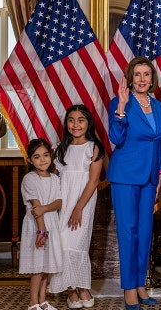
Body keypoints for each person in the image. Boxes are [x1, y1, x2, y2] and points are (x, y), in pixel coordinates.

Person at [106, 56, 161, 310]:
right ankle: (129, 289)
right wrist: (121, 105)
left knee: (144, 233)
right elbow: (116, 138)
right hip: (125, 177)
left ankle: (141, 285)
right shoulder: (120, 102)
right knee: (128, 233)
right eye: (137, 74)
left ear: (152, 79)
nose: (142, 79)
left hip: (150, 178)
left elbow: (158, 142)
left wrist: (160, 174)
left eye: (146, 74)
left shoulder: (158, 105)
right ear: (130, 78)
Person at [49, 104, 105, 309]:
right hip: (63, 202)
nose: (75, 124)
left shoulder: (93, 147)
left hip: (83, 201)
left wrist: (78, 208)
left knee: (78, 244)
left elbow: (93, 181)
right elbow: (57, 176)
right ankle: (71, 289)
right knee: (62, 244)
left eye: (80, 120)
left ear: (88, 122)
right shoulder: (61, 147)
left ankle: (83, 287)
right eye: (71, 120)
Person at [19, 138, 63, 310]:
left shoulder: (54, 178)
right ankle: (33, 303)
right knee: (38, 268)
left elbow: (59, 202)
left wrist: (45, 208)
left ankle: (43, 301)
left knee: (46, 266)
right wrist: (42, 232)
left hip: (52, 222)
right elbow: (36, 209)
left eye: (45, 155)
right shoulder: (30, 179)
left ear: (51, 156)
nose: (42, 160)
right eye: (37, 157)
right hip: (37, 226)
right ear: (30, 160)